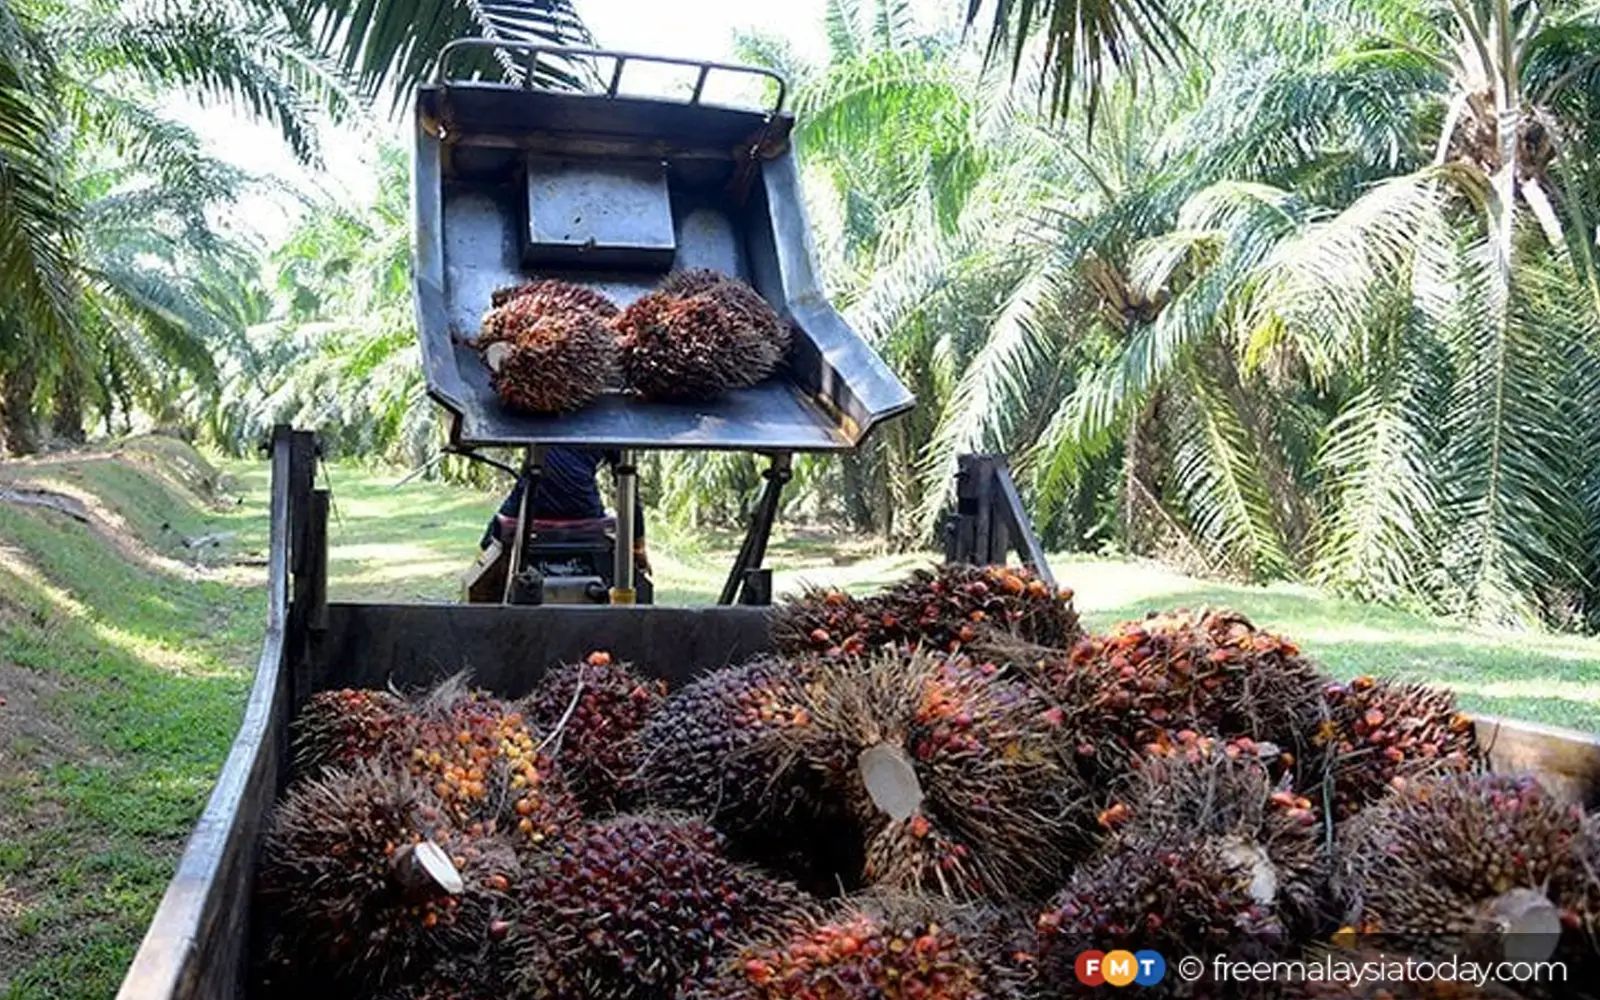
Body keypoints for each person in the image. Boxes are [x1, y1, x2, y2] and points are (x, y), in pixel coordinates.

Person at [479, 446, 650, 576]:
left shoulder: (538, 406)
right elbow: (628, 487)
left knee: (488, 549)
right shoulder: (610, 419)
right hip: (584, 511)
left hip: (530, 504)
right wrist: (638, 546)